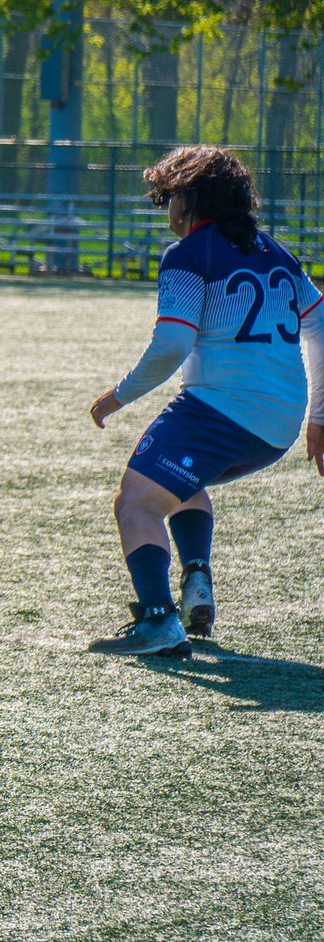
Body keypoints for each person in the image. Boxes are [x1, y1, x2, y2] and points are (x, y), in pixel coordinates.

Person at [88, 146, 324, 657]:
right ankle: (196, 576)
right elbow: (320, 326)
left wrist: (118, 396)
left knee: (136, 502)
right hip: (278, 426)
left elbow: (172, 343)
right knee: (177, 479)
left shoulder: (188, 254)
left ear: (190, 199)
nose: (165, 208)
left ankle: (157, 622)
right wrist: (319, 417)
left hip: (220, 411)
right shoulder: (276, 252)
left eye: (169, 196)